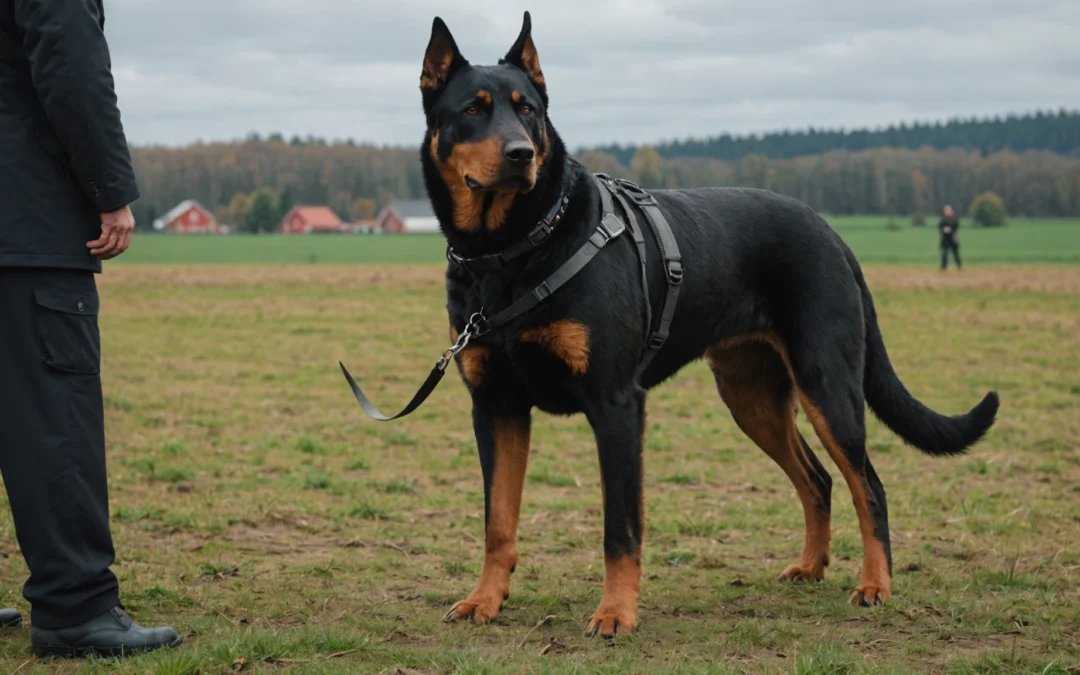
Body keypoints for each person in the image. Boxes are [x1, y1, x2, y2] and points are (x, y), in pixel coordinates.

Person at [0, 0, 180, 658]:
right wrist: (111, 186)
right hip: (27, 221)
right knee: (55, 415)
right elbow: (71, 66)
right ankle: (76, 605)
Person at [938, 205, 962, 270]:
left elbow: (956, 226)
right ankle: (943, 267)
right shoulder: (943, 220)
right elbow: (940, 227)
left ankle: (959, 266)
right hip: (945, 239)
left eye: (949, 210)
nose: (948, 212)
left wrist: (950, 229)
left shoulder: (954, 219)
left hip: (952, 238)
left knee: (955, 253)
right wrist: (944, 229)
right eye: (946, 211)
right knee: (944, 253)